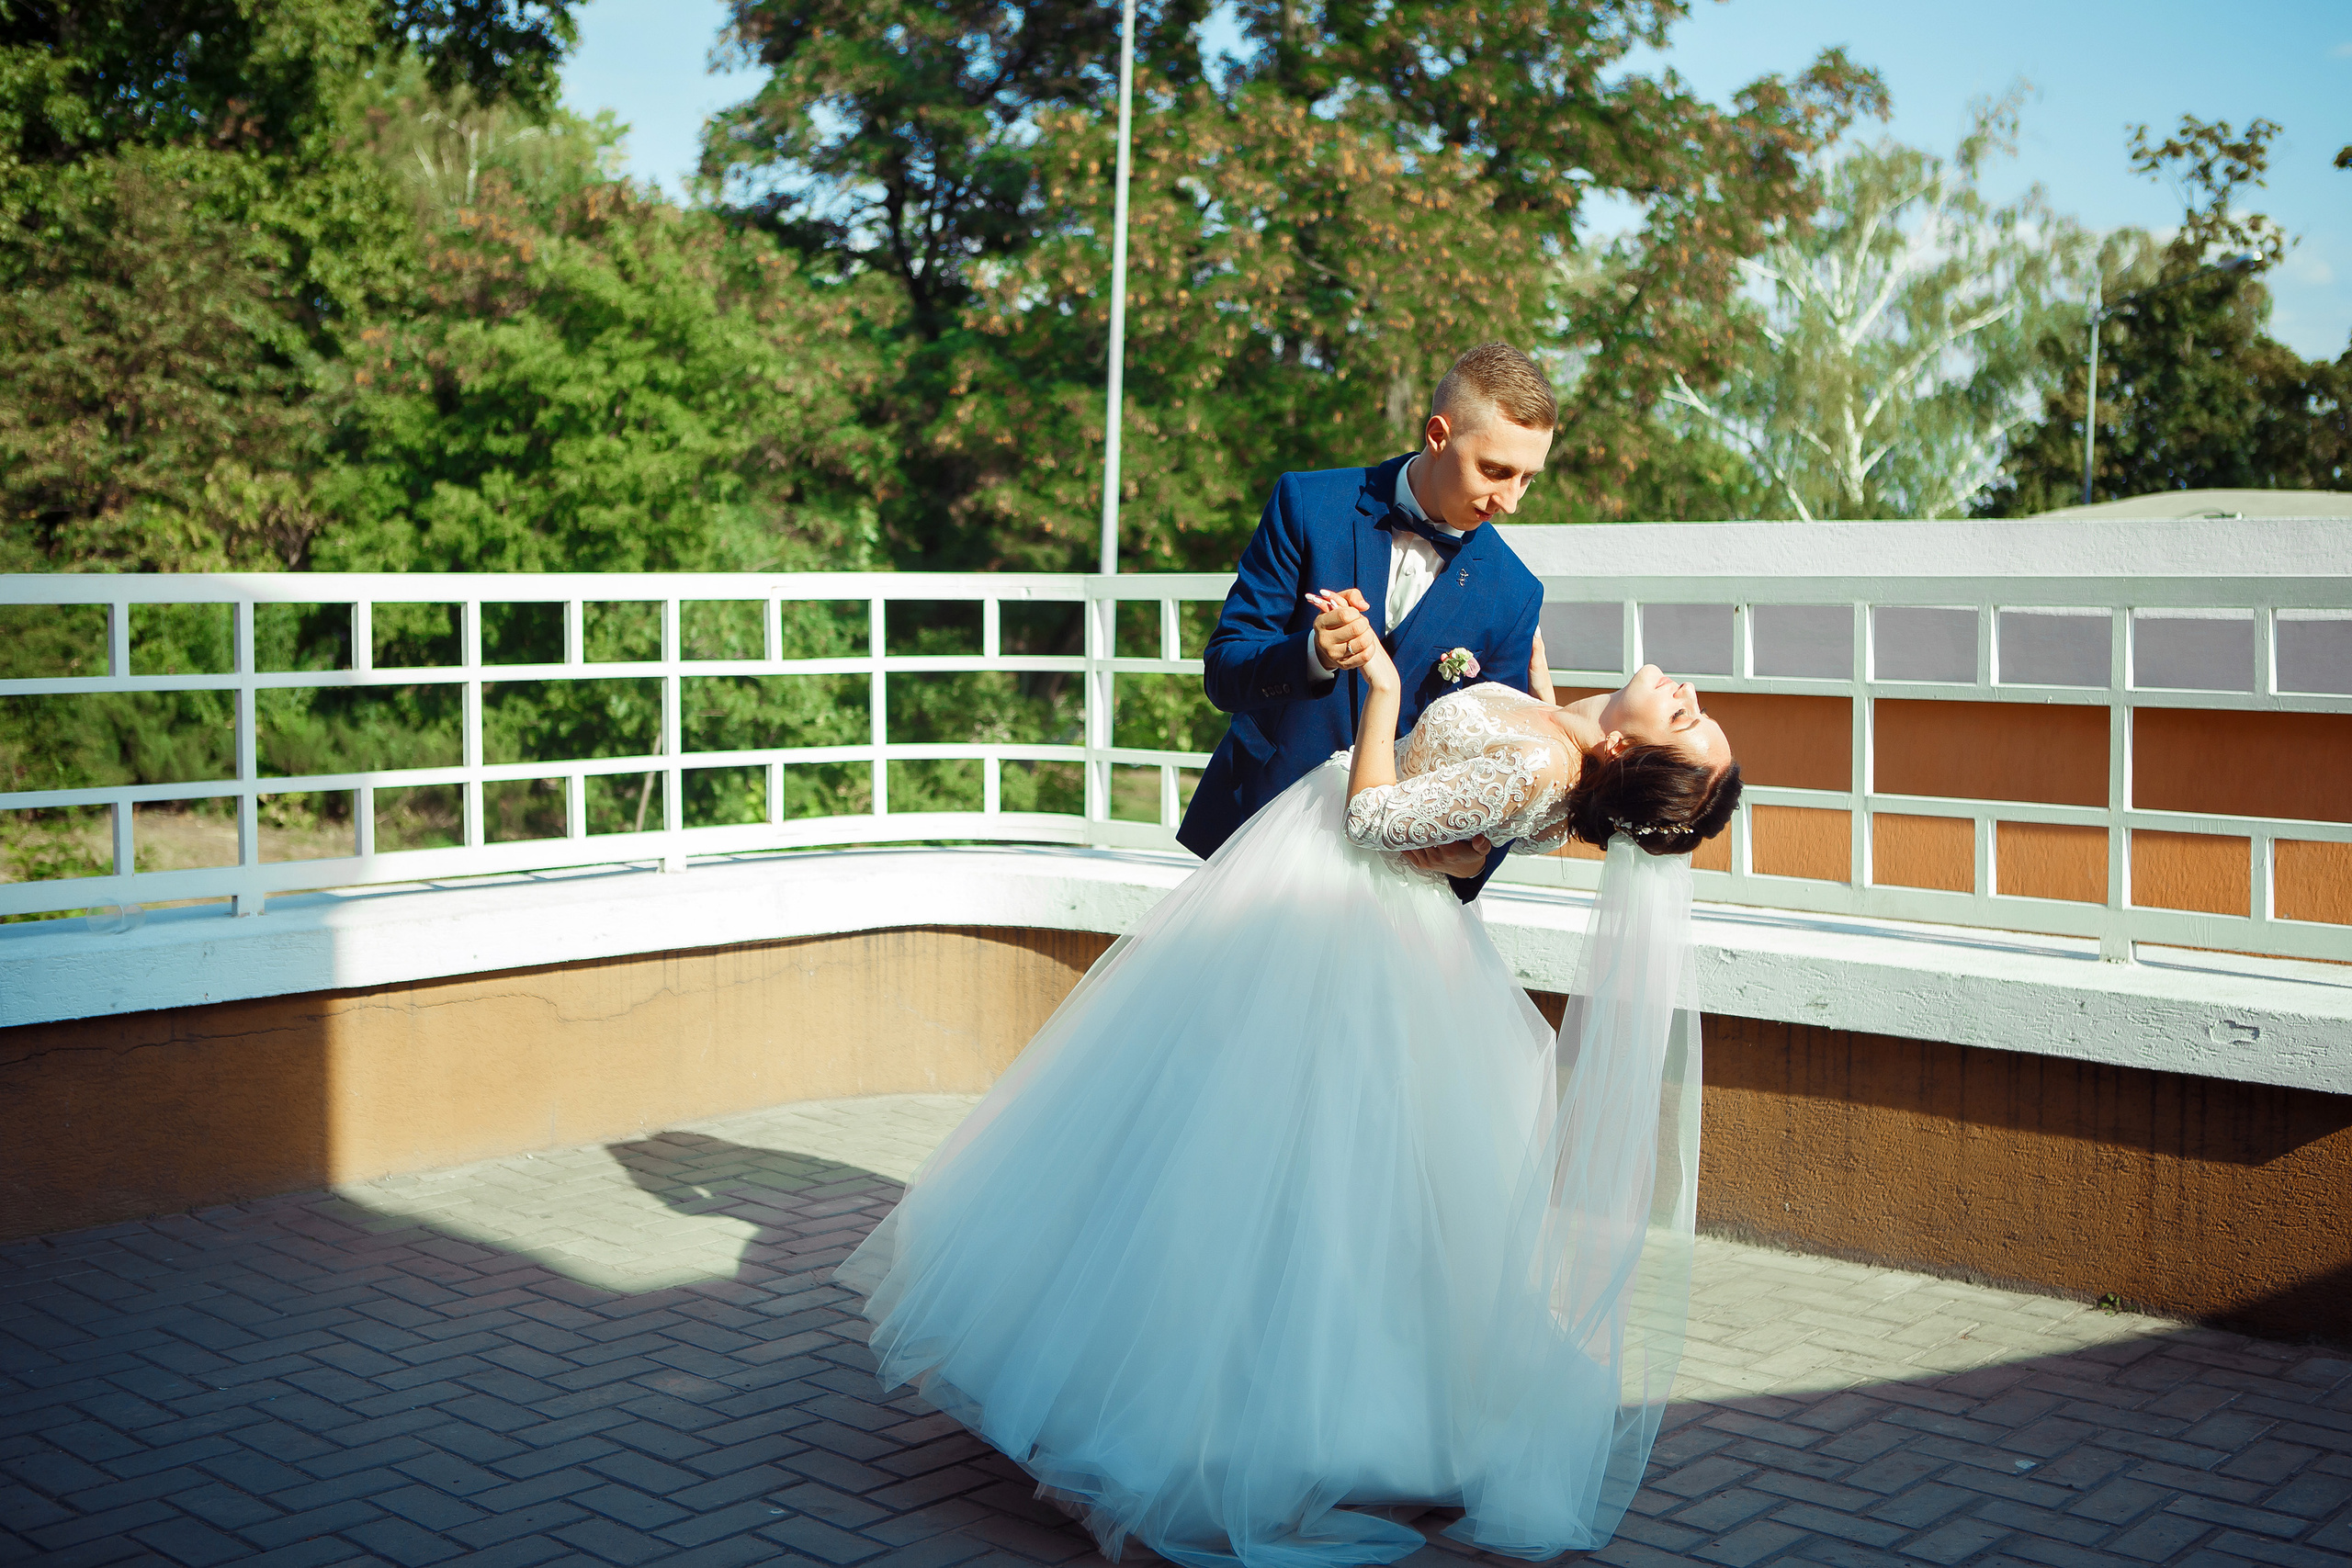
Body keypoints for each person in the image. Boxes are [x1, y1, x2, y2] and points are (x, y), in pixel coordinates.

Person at [837, 617, 1744, 1567]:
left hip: (1337, 907)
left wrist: (1386, 689)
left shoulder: (1543, 769)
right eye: (1697, 713)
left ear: (1623, 750)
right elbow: (1496, 808)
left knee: (1275, 1147)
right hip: (1354, 902)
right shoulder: (1561, 742)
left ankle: (1228, 1422)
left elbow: (1375, 822)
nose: (1689, 699)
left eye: (1686, 724)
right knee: (1256, 1137)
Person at [1177, 341, 1558, 902]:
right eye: (1496, 470)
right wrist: (1311, 654)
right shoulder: (1308, 504)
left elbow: (1503, 758)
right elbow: (1224, 671)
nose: (1511, 500)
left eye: (1528, 478)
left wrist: (1472, 858)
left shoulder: (1515, 593)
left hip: (1391, 883)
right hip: (1255, 842)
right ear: (1437, 435)